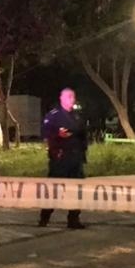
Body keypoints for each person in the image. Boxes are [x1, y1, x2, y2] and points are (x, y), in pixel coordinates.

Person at [39, 88, 88, 229]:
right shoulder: (54, 115)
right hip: (60, 159)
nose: (71, 99)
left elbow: (83, 136)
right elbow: (44, 132)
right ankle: (44, 218)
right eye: (68, 96)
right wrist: (57, 134)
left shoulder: (77, 117)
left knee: (77, 191)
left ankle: (74, 219)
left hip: (75, 159)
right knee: (55, 190)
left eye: (73, 97)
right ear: (61, 98)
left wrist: (82, 153)